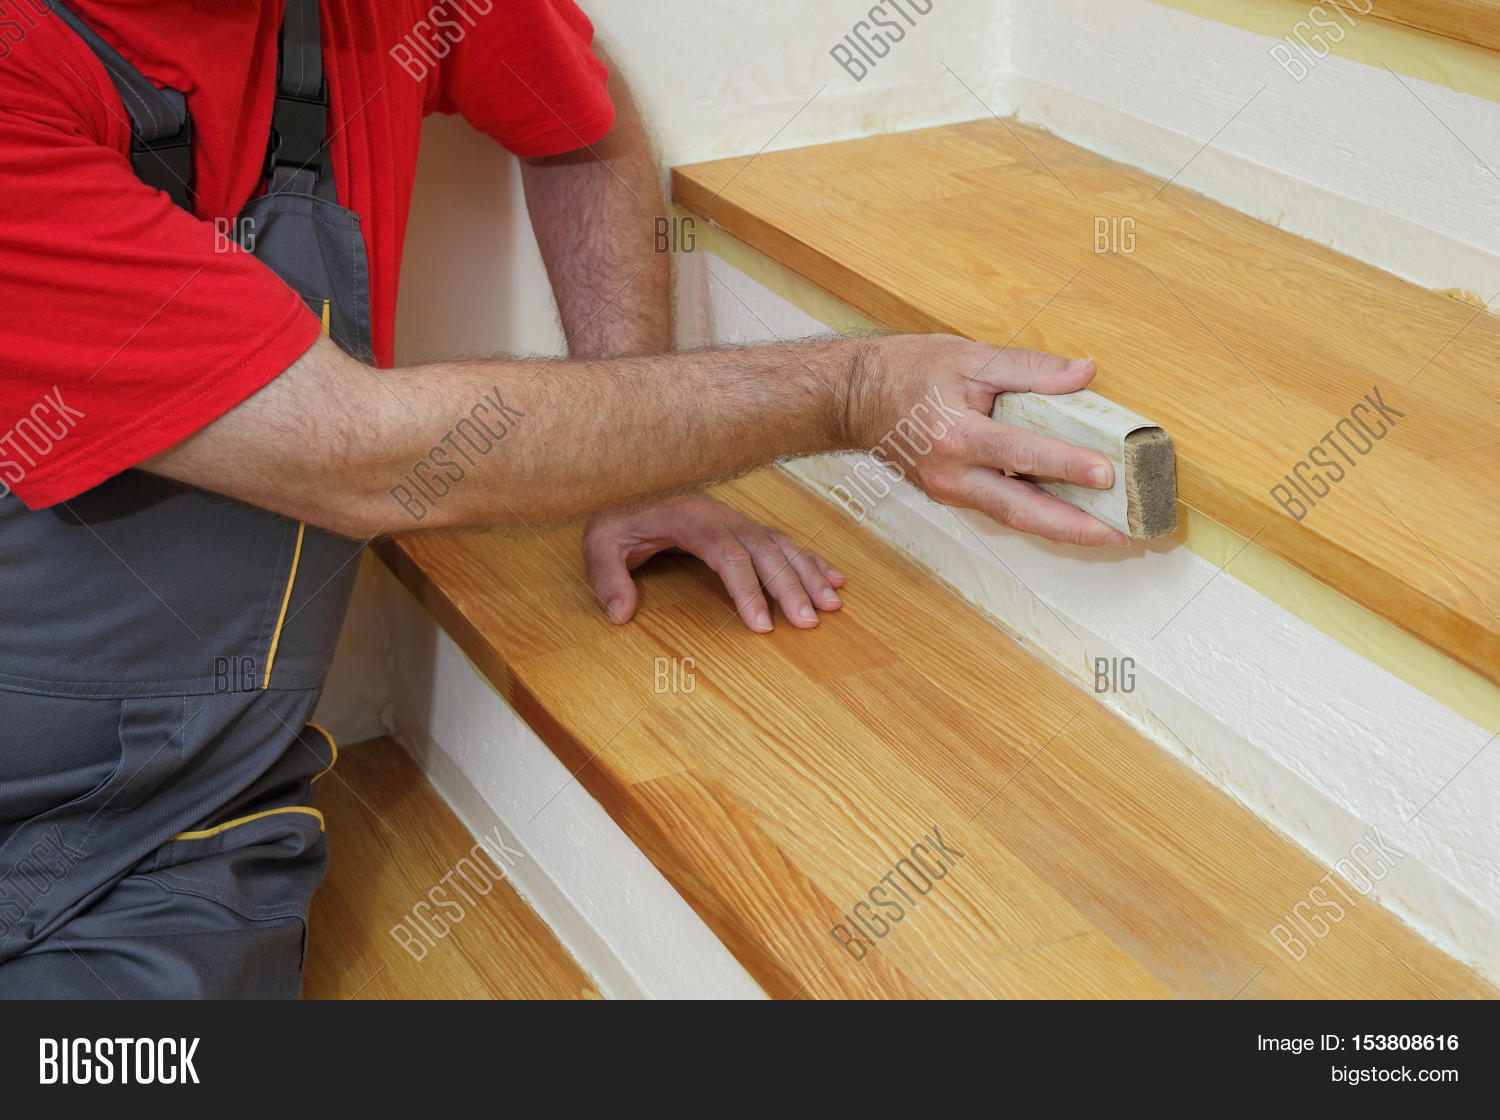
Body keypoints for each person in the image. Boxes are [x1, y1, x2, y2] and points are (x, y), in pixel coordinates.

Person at [0, 0, 1122, 998]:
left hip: (166, 848)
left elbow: (584, 133)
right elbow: (356, 455)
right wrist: (854, 392)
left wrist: (650, 466)